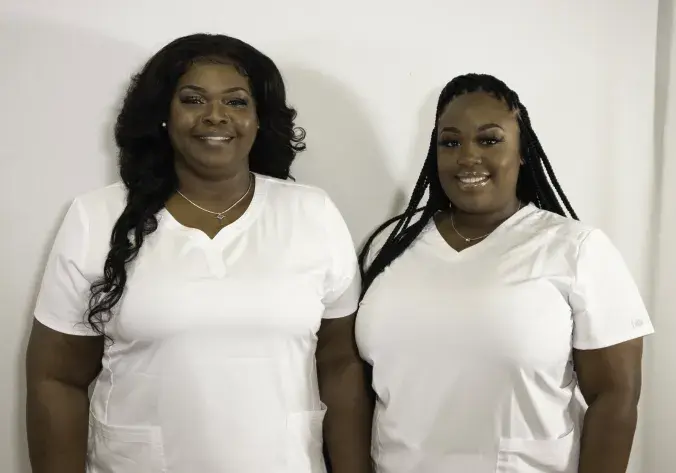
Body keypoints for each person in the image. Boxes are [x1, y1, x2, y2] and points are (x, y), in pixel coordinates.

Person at [25, 33, 373, 473]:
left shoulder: (311, 214)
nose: (215, 116)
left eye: (236, 101)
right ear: (163, 116)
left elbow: (339, 365)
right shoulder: (97, 217)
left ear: (259, 119)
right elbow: (56, 379)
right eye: (193, 100)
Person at [356, 73, 653, 473]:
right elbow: (358, 383)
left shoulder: (576, 248)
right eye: (450, 143)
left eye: (489, 140)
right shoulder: (389, 247)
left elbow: (615, 396)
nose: (467, 157)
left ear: (522, 150)